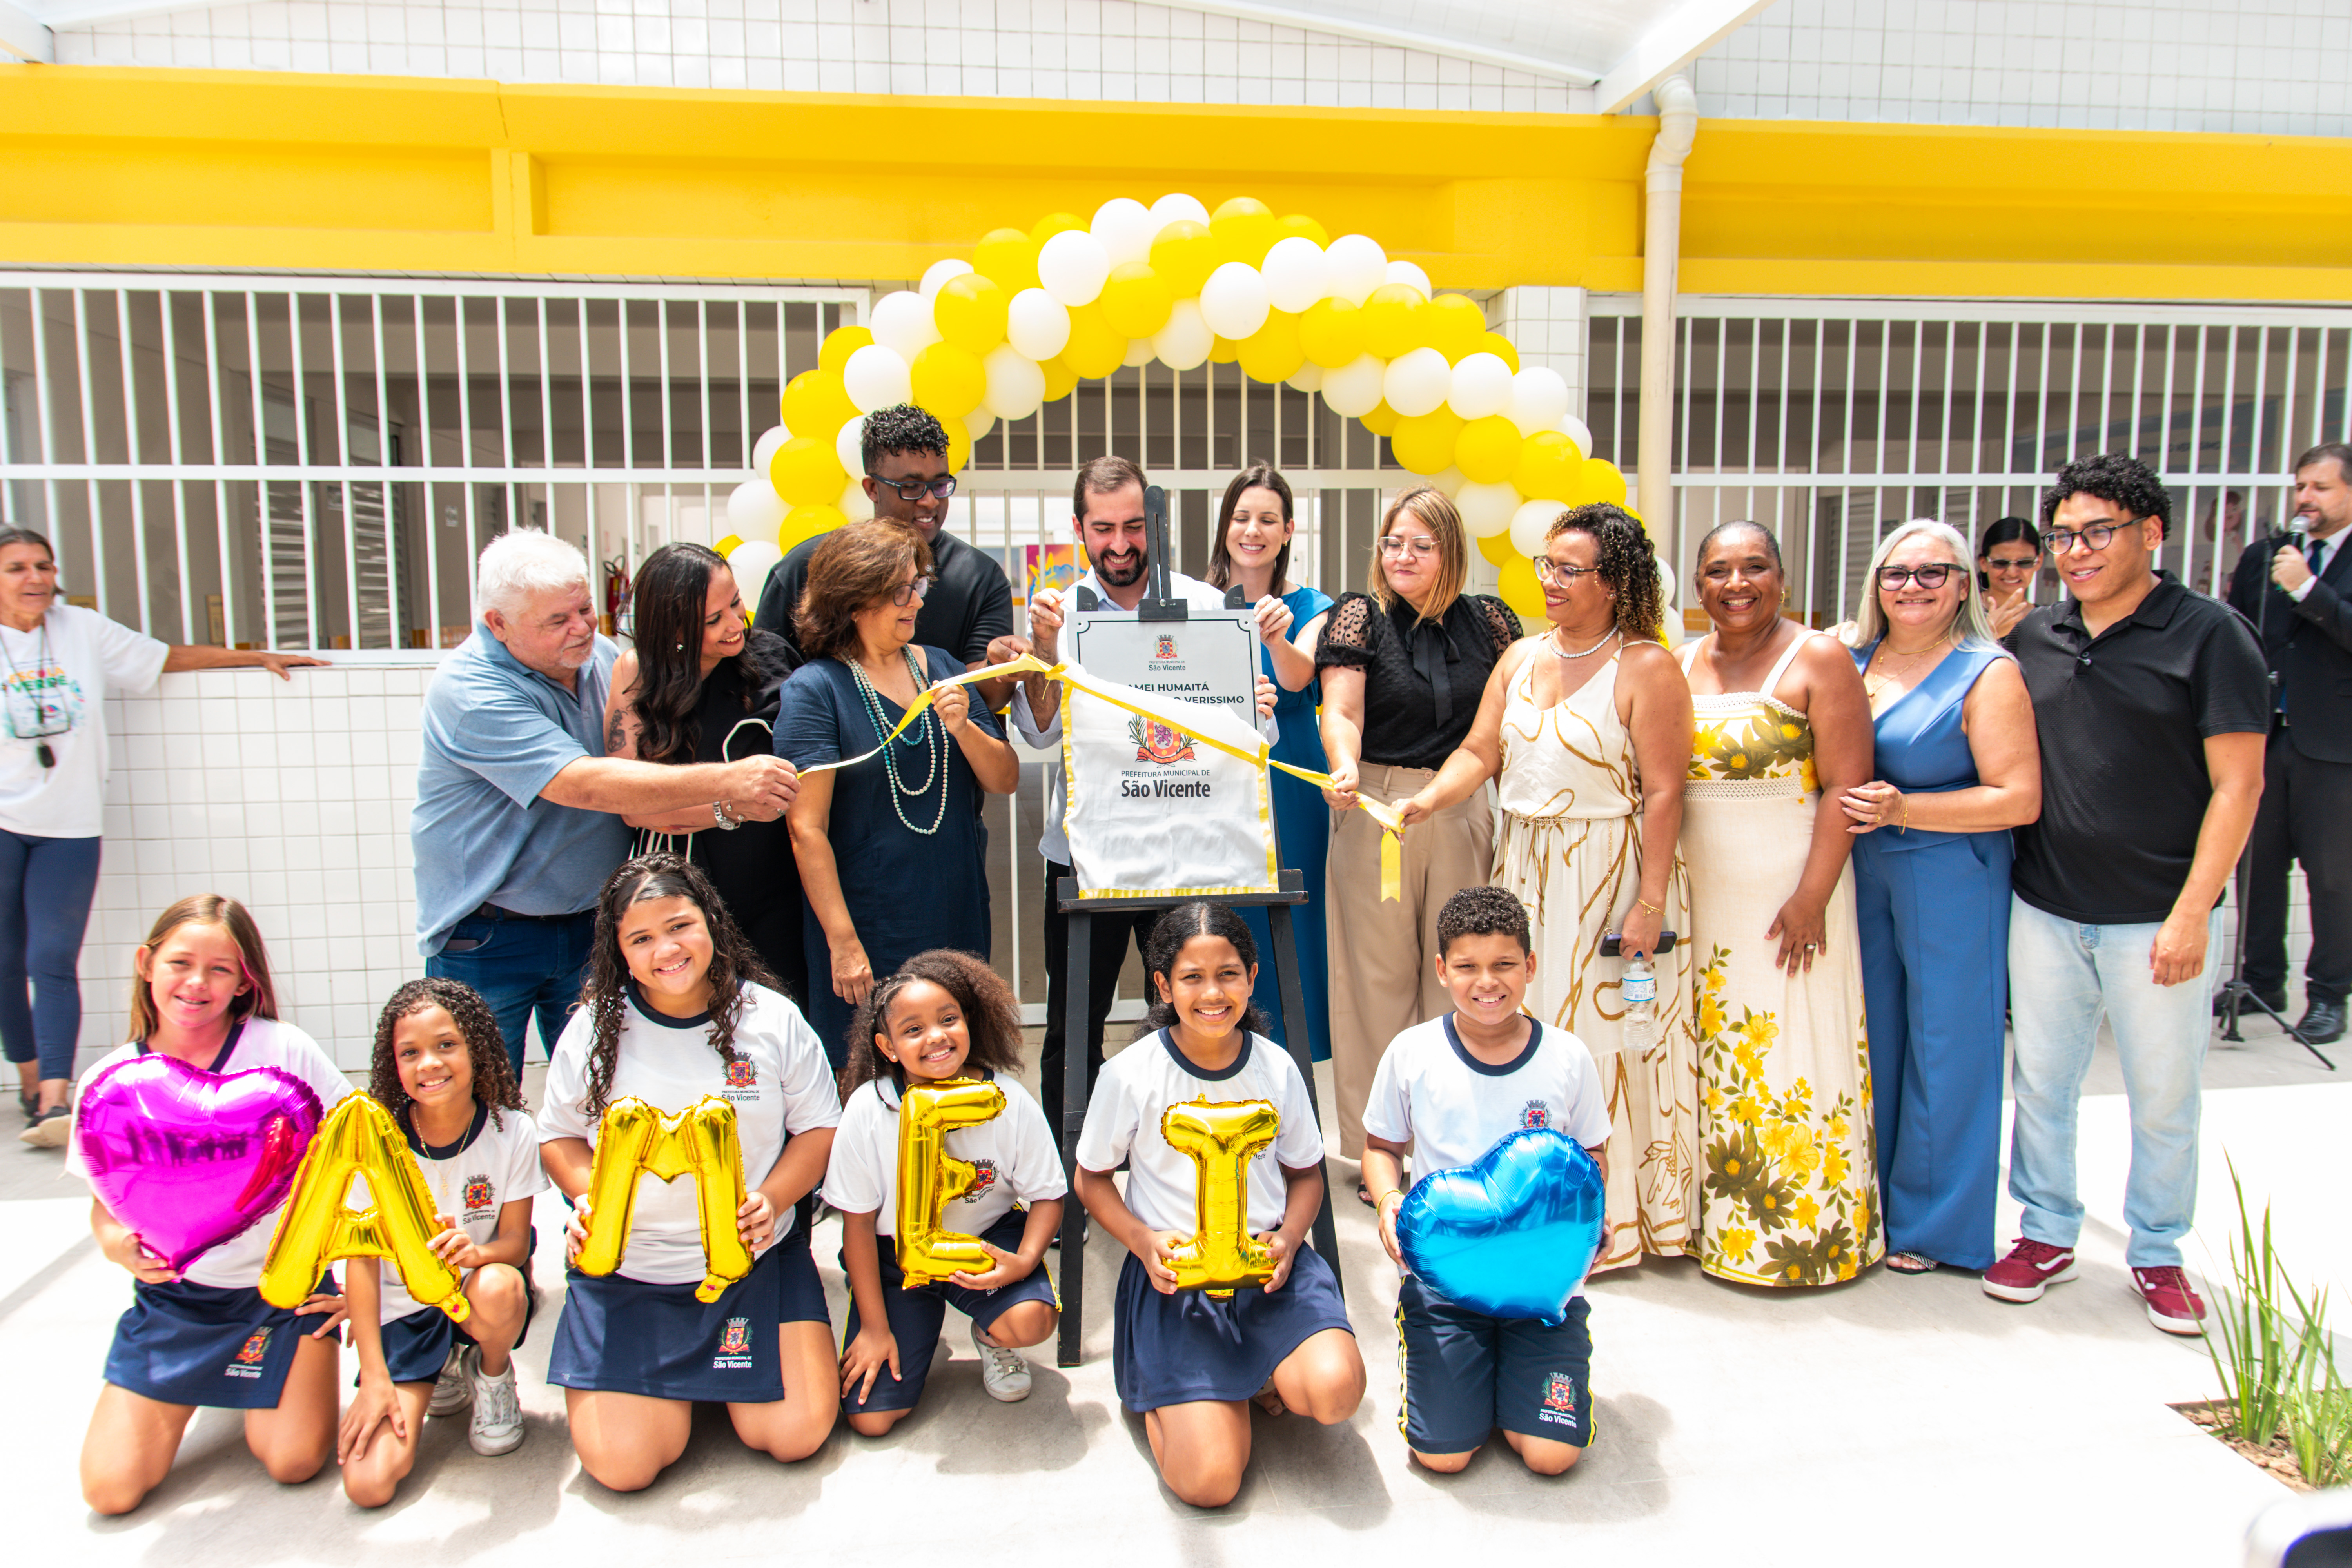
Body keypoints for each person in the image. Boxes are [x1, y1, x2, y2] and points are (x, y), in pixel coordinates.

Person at [1989, 454, 2267, 1334]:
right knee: (2042, 1082)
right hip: (2045, 905)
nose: (2076, 550)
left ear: (2152, 533)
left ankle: (2156, 1248)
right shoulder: (2036, 636)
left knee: (2163, 1090)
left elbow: (2241, 786)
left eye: (2097, 531)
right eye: (2064, 535)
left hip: (2158, 914)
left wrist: (2194, 910)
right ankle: (2047, 1230)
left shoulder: (2211, 635)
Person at [1397, 503, 1698, 1269]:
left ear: (1616, 581)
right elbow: (1479, 749)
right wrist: (1429, 799)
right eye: (1547, 565)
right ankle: (1523, 1207)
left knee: (1597, 1046)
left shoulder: (1647, 665)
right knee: (1518, 1036)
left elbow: (1666, 792)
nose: (1552, 581)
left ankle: (1605, 1222)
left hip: (1608, 873)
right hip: (1523, 866)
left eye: (1571, 569)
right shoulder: (1521, 656)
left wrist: (1650, 901)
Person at [415, 529, 799, 1074]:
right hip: (492, 933)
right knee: (480, 1093)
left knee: (603, 1088)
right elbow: (589, 784)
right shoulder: (470, 692)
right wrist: (730, 787)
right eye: (557, 621)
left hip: (591, 923)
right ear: (497, 624)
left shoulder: (597, 658)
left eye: (585, 609)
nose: (581, 629)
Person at [0, 524, 324, 1147]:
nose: (36, 578)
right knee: (6, 962)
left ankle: (53, 1101)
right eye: (17, 568)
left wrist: (250, 657)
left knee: (51, 959)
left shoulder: (80, 630)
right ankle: (30, 1075)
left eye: (43, 565)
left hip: (69, 824)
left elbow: (162, 656)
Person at [538, 855, 842, 1490]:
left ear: (712, 920)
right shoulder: (594, 1029)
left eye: (679, 926)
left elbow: (819, 1127)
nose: (666, 950)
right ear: (619, 951)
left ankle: (709, 1390)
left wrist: (775, 1197)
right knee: (624, 1468)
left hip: (751, 1265)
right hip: (631, 1271)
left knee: (795, 1436)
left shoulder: (772, 1019)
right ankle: (674, 1396)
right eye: (642, 939)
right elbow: (560, 1138)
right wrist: (588, 1197)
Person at [1010, 456, 1282, 1148]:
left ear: (1155, 526)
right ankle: (1072, 1179)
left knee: (1193, 1012)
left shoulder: (1207, 607)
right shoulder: (1060, 613)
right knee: (1075, 1021)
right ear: (1079, 528)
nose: (1121, 544)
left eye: (1135, 526)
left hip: (1184, 857)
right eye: (1104, 529)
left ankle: (1185, 1156)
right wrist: (1043, 652)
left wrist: (1259, 706)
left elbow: (1251, 737)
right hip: (1087, 855)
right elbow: (1039, 729)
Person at [1072, 902, 1363, 1508]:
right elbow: (1092, 1180)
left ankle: (1249, 1376)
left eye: (1229, 974)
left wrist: (1288, 1239)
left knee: (1336, 1394)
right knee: (1209, 1484)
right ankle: (1174, 1394)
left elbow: (1306, 1176)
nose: (1213, 993)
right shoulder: (1130, 1075)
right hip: (1178, 1281)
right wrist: (1143, 1242)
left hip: (1268, 1269)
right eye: (1192, 978)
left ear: (1253, 977)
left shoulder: (1275, 1066)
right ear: (1162, 986)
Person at [69, 896, 351, 1516]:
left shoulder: (285, 1050)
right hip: (176, 1303)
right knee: (109, 1491)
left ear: (245, 980)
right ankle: (195, 1389)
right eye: (179, 962)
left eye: (221, 969)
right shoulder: (110, 1083)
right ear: (147, 964)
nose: (197, 983)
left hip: (285, 1294)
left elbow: (362, 1155)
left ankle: (281, 1373)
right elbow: (104, 1207)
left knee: (293, 1460)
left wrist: (358, 1280)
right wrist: (117, 1246)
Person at [1679, 520, 1882, 1288]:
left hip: (1791, 892)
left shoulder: (1820, 658)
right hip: (1703, 899)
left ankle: (1806, 1233)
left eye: (1754, 567)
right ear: (1698, 587)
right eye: (1719, 570)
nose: (1737, 583)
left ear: (1784, 578)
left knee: (1792, 1050)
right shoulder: (1680, 660)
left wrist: (1813, 897)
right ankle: (1712, 1228)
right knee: (1712, 1056)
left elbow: (1848, 790)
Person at [1838, 520, 2042, 1276]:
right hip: (1863, 870)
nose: (1913, 587)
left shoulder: (1988, 673)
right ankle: (1876, 1205)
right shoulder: (1852, 659)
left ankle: (1938, 1226)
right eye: (1898, 573)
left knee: (1949, 1047)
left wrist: (1906, 811)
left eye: (1933, 573)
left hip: (1949, 867)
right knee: (1875, 1039)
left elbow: (2019, 798)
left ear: (1965, 584)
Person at [1363, 886, 1610, 1475]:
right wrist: (1388, 1200)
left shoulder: (1569, 1057)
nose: (1487, 982)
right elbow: (1380, 1148)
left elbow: (1594, 1156)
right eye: (1468, 967)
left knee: (1552, 1457)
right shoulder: (1412, 1052)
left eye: (1504, 965)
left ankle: (1519, 1379)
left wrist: (1590, 1230)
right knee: (1442, 1456)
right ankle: (1471, 1382)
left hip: (1543, 1290)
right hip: (1443, 1282)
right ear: (1442, 970)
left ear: (1529, 966)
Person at [1314, 485, 1520, 1174]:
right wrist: (1343, 767)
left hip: (1462, 803)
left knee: (1463, 976)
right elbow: (1340, 712)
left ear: (1451, 553)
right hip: (1376, 805)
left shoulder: (1491, 622)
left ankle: (1456, 1147)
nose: (1402, 556)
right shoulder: (1359, 616)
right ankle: (1383, 1153)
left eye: (1421, 545)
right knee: (1376, 984)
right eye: (1393, 542)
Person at [776, 522, 1020, 1069]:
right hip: (867, 921)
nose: (916, 602)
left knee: (960, 1062)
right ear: (853, 598)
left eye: (918, 587)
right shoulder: (815, 688)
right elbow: (805, 827)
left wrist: (966, 729)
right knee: (871, 1074)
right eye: (900, 591)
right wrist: (843, 942)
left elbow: (1004, 779)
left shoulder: (942, 669)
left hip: (954, 909)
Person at [826, 950, 1065, 1431]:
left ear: (968, 1023)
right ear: (888, 1046)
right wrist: (875, 1328)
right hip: (896, 1257)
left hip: (983, 1240)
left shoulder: (1009, 1100)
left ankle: (992, 1337)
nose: (936, 1036)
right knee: (872, 1420)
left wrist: (1024, 1258)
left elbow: (1048, 1194)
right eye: (913, 1029)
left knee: (1031, 1321)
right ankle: (907, 1321)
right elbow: (856, 1224)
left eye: (948, 1019)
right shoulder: (868, 1109)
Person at [339, 978, 543, 1506]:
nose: (429, 1063)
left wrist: (476, 1255)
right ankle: (438, 1370)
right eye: (411, 1053)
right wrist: (375, 1379)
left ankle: (492, 1376)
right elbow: (360, 1266)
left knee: (501, 1285)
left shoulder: (513, 1131)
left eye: (446, 1045)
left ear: (476, 1046)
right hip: (403, 1313)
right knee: (368, 1484)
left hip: (472, 1296)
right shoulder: (377, 1141)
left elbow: (517, 1243)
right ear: (394, 1065)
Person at [605, 542, 807, 1002]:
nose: (735, 625)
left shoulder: (772, 654)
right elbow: (630, 802)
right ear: (673, 629)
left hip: (778, 881)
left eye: (735, 602)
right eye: (713, 620)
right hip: (682, 888)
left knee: (778, 1012)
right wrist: (730, 807)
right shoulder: (636, 673)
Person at [754, 404, 1017, 709]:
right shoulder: (806, 566)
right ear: (872, 489)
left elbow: (988, 701)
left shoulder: (979, 576)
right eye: (911, 487)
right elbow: (767, 685)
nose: (930, 500)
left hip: (945, 750)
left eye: (940, 485)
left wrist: (999, 668)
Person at [1205, 463, 1336, 1063]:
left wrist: (1278, 639)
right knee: (1222, 920)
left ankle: (1295, 1066)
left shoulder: (1313, 606)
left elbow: (1300, 677)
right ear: (1225, 526)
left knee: (1294, 926)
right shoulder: (1197, 600)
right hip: (1212, 784)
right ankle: (1224, 1054)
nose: (1252, 531)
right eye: (1241, 517)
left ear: (1287, 532)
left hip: (1290, 783)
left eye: (1266, 520)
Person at [2226, 441, 2352, 1047]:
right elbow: (2238, 636)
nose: (2306, 499)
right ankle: (2260, 980)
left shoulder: (2315, 569)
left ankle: (2329, 995)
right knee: (2258, 866)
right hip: (2265, 737)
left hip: (2336, 747)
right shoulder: (2266, 557)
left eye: (2321, 488)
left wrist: (2310, 592)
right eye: (2302, 486)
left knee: (2333, 877)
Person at [1976, 517, 2043, 642]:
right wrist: (1988, 633)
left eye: (2024, 563)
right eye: (2001, 563)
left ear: (2039, 562)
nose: (2012, 573)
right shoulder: (1959, 612)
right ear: (1984, 563)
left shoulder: (2046, 622)